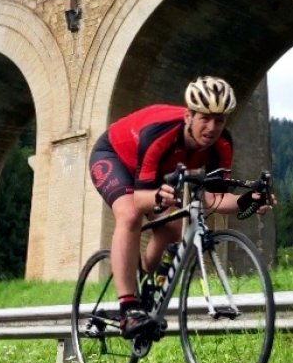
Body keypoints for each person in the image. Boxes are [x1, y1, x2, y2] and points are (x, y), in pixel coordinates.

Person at [88, 76, 271, 338]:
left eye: (219, 120)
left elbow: (214, 198)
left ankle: (143, 284)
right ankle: (128, 308)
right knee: (129, 214)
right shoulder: (161, 132)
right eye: (204, 118)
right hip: (114, 157)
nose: (211, 127)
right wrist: (156, 199)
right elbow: (141, 199)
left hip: (152, 171)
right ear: (189, 116)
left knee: (173, 228)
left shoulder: (222, 145)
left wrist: (247, 201)